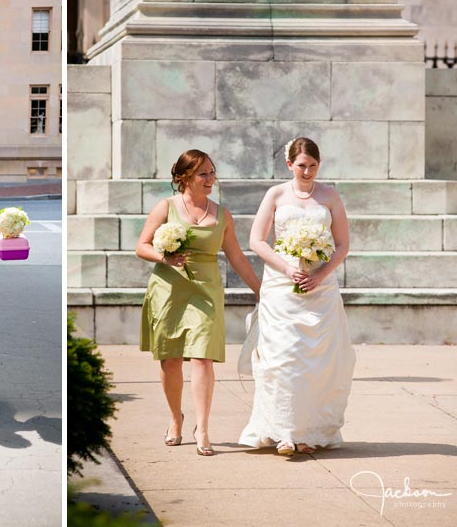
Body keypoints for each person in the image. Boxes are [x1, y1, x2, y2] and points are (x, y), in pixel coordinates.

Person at [136, 149, 260, 455]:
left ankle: (203, 428)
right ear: (184, 178)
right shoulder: (165, 207)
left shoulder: (223, 215)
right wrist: (165, 256)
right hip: (169, 289)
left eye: (212, 172)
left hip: (206, 292)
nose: (210, 179)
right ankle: (175, 418)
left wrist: (260, 289)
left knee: (203, 358)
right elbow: (141, 246)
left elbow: (237, 257)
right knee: (170, 361)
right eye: (202, 173)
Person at [238, 137, 356, 456]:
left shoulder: (329, 195)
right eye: (301, 166)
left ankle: (309, 433)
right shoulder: (276, 194)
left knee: (318, 362)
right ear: (289, 164)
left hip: (321, 290)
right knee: (283, 358)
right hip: (281, 289)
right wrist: (287, 268)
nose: (307, 172)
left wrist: (320, 274)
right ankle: (284, 432)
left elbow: (343, 243)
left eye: (313, 166)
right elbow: (257, 241)